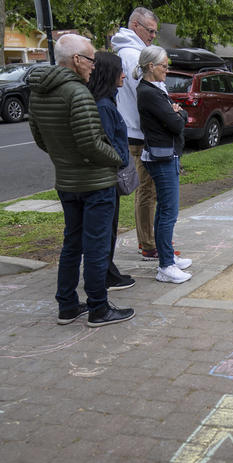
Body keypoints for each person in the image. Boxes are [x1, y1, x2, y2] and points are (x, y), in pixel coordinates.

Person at [27, 34, 135, 327]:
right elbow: (91, 144)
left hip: (66, 182)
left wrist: (65, 158)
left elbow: (40, 138)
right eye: (90, 59)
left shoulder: (38, 93)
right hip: (95, 184)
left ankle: (67, 306)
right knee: (97, 247)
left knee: (72, 244)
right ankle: (99, 308)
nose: (93, 66)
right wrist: (118, 159)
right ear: (76, 60)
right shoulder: (77, 94)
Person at [112, 7, 168, 261]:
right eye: (150, 30)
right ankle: (147, 243)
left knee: (148, 189)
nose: (154, 36)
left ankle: (149, 239)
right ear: (135, 26)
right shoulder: (134, 56)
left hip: (135, 130)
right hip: (139, 133)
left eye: (156, 31)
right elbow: (148, 95)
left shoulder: (126, 52)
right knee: (147, 190)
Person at [136, 46, 192, 283]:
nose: (167, 71)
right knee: (169, 211)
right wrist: (177, 114)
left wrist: (178, 113)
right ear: (151, 66)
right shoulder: (148, 92)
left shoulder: (157, 89)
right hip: (162, 157)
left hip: (166, 154)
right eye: (163, 66)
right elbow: (177, 122)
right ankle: (166, 266)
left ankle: (167, 257)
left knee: (164, 211)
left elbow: (180, 115)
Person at [87, 51, 136, 292]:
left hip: (108, 175)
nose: (124, 75)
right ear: (110, 74)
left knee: (108, 229)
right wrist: (120, 159)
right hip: (106, 177)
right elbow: (106, 142)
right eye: (120, 71)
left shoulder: (107, 100)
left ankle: (108, 270)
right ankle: (104, 275)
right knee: (105, 230)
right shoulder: (104, 106)